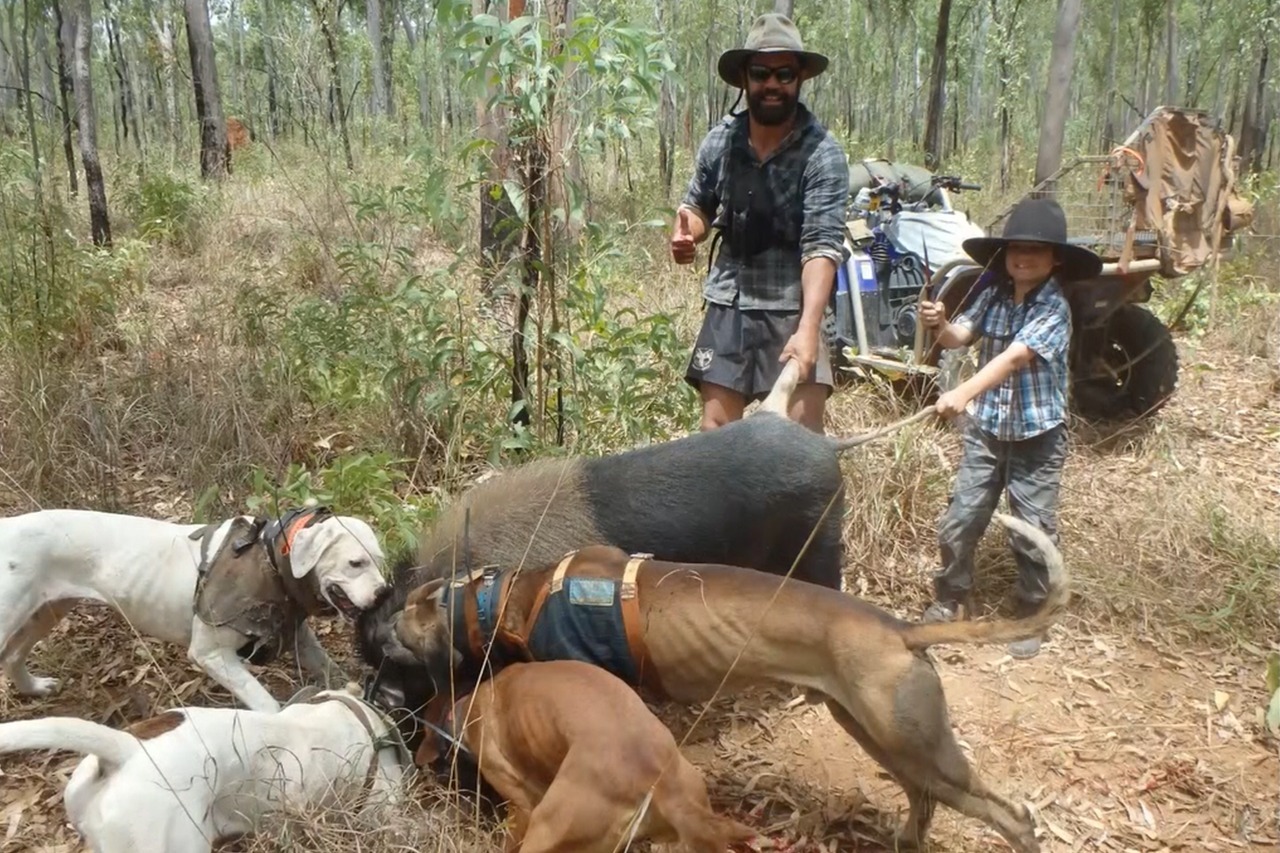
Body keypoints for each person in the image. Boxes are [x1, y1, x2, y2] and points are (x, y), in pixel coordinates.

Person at [918, 197, 1102, 660]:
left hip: (1036, 438)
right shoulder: (994, 295)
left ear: (1055, 259)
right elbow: (962, 336)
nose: (1022, 258)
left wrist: (963, 393)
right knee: (959, 520)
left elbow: (1014, 357)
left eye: (1035, 251)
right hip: (986, 432)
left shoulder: (1054, 309)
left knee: (1030, 529)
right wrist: (940, 325)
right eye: (1015, 249)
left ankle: (1032, 612)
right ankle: (952, 596)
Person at [669, 13, 850, 433]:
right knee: (716, 436)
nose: (772, 84)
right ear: (744, 79)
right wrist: (687, 235)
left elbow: (821, 247)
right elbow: (697, 206)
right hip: (730, 300)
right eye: (761, 73)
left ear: (800, 77)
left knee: (796, 444)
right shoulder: (721, 141)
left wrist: (807, 331)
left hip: (794, 307)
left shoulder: (822, 153)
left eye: (784, 74)